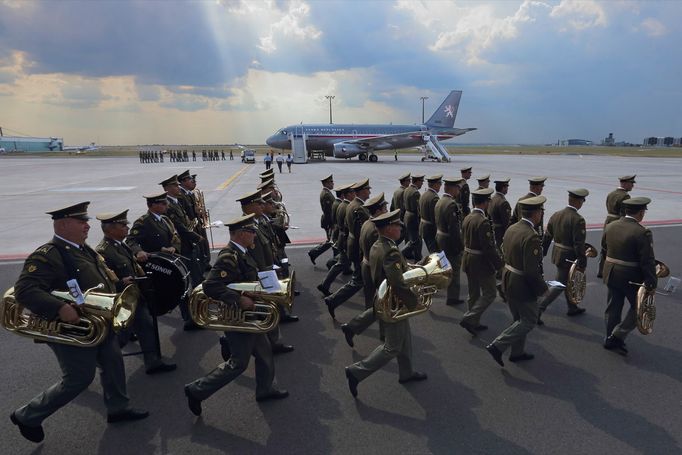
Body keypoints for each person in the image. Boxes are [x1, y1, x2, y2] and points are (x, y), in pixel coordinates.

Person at [11, 202, 148, 443]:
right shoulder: (48, 255)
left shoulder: (86, 249)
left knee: (113, 362)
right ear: (63, 224)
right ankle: (27, 415)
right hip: (71, 329)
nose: (87, 225)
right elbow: (25, 290)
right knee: (78, 379)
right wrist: (59, 307)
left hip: (96, 323)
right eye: (81, 221)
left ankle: (118, 408)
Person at [183, 214, 289, 417]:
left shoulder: (243, 253)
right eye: (252, 232)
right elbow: (211, 285)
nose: (255, 236)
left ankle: (265, 390)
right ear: (241, 234)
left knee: (265, 352)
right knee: (238, 364)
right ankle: (196, 390)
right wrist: (239, 299)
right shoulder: (228, 256)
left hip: (249, 316)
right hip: (238, 317)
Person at [344, 209, 427, 398]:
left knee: (405, 337)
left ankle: (407, 372)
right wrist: (414, 302)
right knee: (392, 347)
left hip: (386, 300)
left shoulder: (378, 245)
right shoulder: (390, 250)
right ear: (389, 228)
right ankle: (356, 371)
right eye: (397, 225)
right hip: (394, 304)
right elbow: (397, 282)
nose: (400, 228)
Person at [95, 210, 176, 374]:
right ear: (110, 229)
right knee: (122, 335)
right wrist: (120, 283)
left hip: (135, 295)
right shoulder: (104, 251)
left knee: (146, 325)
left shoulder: (120, 244)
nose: (127, 228)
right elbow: (103, 279)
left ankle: (153, 362)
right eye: (122, 225)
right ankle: (98, 359)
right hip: (123, 299)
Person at [486, 196, 548, 367]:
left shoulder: (512, 228)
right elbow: (531, 271)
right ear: (536, 214)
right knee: (529, 320)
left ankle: (517, 352)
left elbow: (503, 251)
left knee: (517, 318)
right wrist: (543, 289)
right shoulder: (531, 236)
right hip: (521, 283)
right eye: (541, 211)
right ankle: (498, 345)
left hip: (509, 278)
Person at [601, 197, 657, 356]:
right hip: (631, 277)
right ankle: (617, 335)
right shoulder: (642, 232)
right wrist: (652, 281)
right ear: (640, 212)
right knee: (640, 309)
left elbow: (604, 248)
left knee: (613, 307)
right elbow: (647, 261)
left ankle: (609, 337)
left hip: (611, 272)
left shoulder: (610, 226)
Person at [340, 193, 389, 347]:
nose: (387, 210)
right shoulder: (376, 229)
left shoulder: (368, 223)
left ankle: (357, 327)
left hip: (366, 264)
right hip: (375, 268)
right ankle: (382, 333)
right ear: (379, 210)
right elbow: (379, 255)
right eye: (385, 207)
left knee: (375, 302)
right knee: (383, 302)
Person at [539, 189, 590, 324]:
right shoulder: (578, 219)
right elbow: (578, 243)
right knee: (560, 283)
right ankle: (540, 307)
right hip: (569, 256)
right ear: (578, 201)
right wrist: (582, 259)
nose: (582, 204)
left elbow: (548, 236)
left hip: (557, 254)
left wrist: (543, 252)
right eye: (582, 201)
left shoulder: (556, 214)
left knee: (568, 280)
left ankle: (572, 307)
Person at [324, 179, 371, 319]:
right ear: (362, 191)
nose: (369, 192)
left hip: (353, 245)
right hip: (358, 247)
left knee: (362, 279)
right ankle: (333, 300)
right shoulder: (359, 208)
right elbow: (361, 233)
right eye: (368, 189)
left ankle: (371, 308)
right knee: (359, 279)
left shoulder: (352, 205)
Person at [460, 188, 504, 335]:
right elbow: (488, 248)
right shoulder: (483, 221)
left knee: (473, 293)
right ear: (485, 203)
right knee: (490, 293)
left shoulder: (468, 217)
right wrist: (499, 265)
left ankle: (473, 322)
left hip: (468, 258)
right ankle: (470, 317)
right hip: (480, 262)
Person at [317, 183, 354, 295]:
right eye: (353, 193)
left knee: (343, 261)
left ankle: (325, 284)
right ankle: (327, 289)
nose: (354, 195)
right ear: (347, 194)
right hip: (346, 238)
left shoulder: (341, 204)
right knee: (342, 262)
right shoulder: (345, 206)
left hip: (343, 237)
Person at [598, 175, 636, 278]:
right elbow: (624, 213)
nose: (632, 186)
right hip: (617, 222)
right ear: (626, 183)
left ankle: (601, 270)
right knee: (617, 247)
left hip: (608, 221)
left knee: (605, 246)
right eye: (631, 183)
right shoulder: (625, 196)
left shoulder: (611, 194)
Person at [435, 177, 465, 306]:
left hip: (440, 238)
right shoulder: (451, 204)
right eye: (458, 188)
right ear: (453, 188)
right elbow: (454, 229)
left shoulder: (440, 201)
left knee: (444, 267)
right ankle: (453, 297)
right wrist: (459, 246)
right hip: (448, 241)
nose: (459, 190)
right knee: (454, 269)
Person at [308, 174, 335, 265]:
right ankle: (314, 253)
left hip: (328, 221)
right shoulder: (326, 194)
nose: (333, 183)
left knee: (332, 241)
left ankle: (314, 253)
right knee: (333, 241)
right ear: (326, 183)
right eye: (331, 182)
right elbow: (328, 212)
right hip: (329, 221)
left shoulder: (327, 192)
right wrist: (332, 223)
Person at [402, 174, 424, 260]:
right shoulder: (415, 192)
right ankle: (400, 254)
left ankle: (418, 258)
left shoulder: (407, 189)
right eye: (421, 181)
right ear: (417, 181)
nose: (422, 184)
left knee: (417, 240)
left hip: (407, 215)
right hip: (413, 218)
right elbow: (417, 208)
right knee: (415, 241)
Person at [418, 174, 442, 254]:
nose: (440, 186)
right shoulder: (434, 198)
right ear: (435, 185)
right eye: (440, 184)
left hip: (423, 226)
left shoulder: (424, 194)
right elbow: (435, 217)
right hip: (430, 229)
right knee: (435, 253)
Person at [488, 178, 511, 251]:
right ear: (503, 188)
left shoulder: (492, 199)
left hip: (493, 231)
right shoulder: (503, 202)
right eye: (506, 187)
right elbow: (506, 222)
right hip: (501, 233)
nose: (507, 189)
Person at [390, 173, 411, 246]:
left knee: (404, 236)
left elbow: (392, 205)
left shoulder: (397, 191)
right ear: (404, 181)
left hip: (397, 216)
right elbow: (404, 207)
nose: (410, 182)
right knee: (402, 236)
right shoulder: (404, 192)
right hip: (402, 217)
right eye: (408, 180)